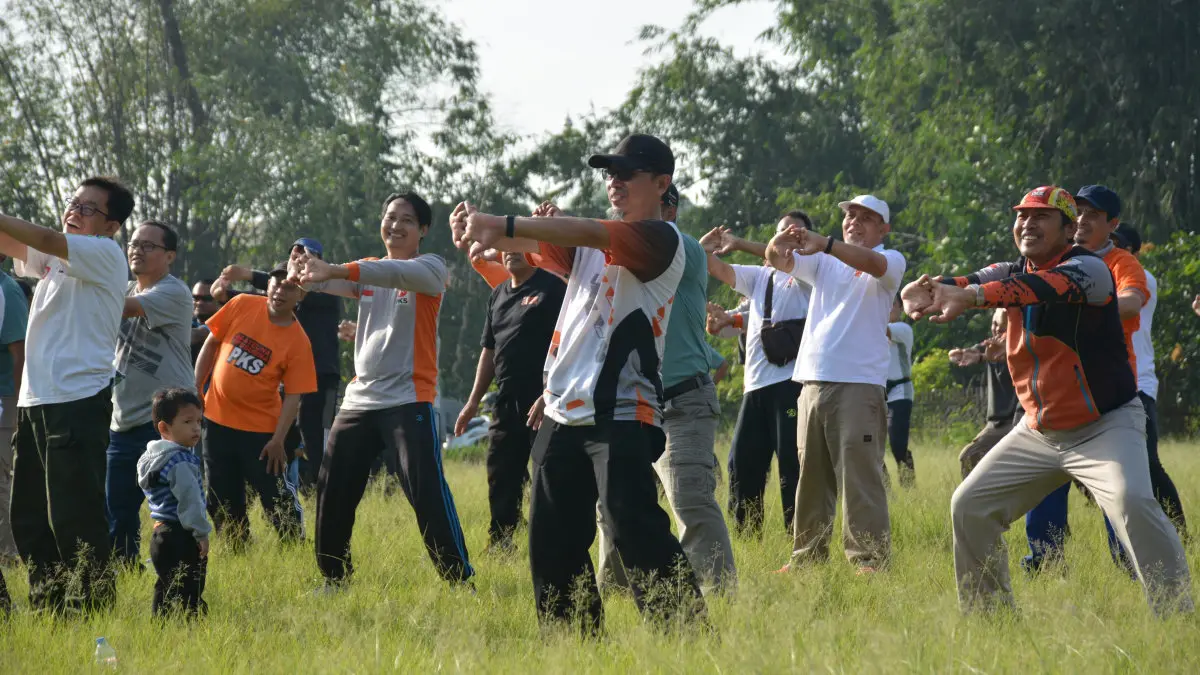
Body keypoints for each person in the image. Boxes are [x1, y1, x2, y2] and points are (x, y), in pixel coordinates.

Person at [454, 133, 705, 632]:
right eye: (609, 174)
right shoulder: (586, 248)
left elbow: (589, 233)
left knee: (632, 526)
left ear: (661, 183)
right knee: (551, 541)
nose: (614, 182)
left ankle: (689, 637)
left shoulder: (661, 240)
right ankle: (572, 645)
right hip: (562, 411)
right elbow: (530, 244)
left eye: (625, 173)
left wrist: (499, 224)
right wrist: (479, 231)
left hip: (623, 412)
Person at [904, 185, 1192, 615]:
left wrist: (970, 297)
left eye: (1041, 217)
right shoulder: (1010, 268)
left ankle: (1178, 616)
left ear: (1068, 228)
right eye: (1022, 215)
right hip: (1039, 430)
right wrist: (931, 289)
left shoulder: (1090, 269)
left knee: (1132, 500)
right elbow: (971, 280)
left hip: (1105, 425)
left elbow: (1037, 288)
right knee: (969, 506)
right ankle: (991, 623)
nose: (1028, 223)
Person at [295, 191, 473, 590]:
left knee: (424, 491)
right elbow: (328, 284)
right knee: (332, 486)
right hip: (360, 399)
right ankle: (334, 579)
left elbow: (385, 274)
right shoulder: (367, 272)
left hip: (409, 399)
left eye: (407, 220)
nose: (395, 225)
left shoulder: (430, 268)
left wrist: (334, 269)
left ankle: (459, 581)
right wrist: (304, 273)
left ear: (423, 230)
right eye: (390, 217)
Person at [596, 182, 736, 595]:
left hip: (682, 401)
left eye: (663, 203)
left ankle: (717, 595)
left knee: (689, 499)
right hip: (632, 401)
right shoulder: (617, 255)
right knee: (612, 505)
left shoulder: (687, 249)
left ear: (670, 210)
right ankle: (617, 595)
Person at [2, 176, 132, 613]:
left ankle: (92, 606)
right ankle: (50, 607)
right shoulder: (57, 260)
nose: (74, 211)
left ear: (111, 226)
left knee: (74, 516)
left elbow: (40, 236)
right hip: (36, 401)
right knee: (30, 517)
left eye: (88, 208)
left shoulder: (104, 254)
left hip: (77, 400)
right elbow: (16, 242)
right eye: (72, 203)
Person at [1019, 185, 1165, 571]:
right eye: (1077, 213)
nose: (1082, 221)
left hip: (1109, 395)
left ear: (1112, 225)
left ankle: (1131, 562)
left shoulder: (1122, 263)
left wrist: (1084, 297)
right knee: (1044, 482)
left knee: (1121, 490)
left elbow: (1132, 301)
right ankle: (1045, 562)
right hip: (1058, 392)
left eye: (1093, 216)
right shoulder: (1055, 259)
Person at [766, 194, 904, 574]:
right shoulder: (825, 262)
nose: (854, 222)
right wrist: (779, 244)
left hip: (859, 385)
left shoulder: (890, 260)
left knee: (860, 478)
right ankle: (807, 558)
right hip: (811, 382)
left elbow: (873, 264)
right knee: (810, 477)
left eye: (866, 218)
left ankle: (870, 561)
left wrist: (824, 242)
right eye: (850, 216)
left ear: (883, 229)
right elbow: (779, 262)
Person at [699, 214, 812, 534]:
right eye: (780, 234)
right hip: (756, 386)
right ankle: (748, 536)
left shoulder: (812, 275)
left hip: (792, 384)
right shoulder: (760, 278)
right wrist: (704, 249)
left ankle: (800, 540)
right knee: (741, 464)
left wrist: (740, 244)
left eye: (794, 234)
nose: (784, 241)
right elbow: (717, 268)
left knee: (793, 466)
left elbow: (780, 255)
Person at [194, 263, 315, 547]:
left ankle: (294, 548)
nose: (280, 290)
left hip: (261, 435)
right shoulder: (242, 304)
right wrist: (196, 389)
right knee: (221, 497)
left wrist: (278, 440)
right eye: (276, 282)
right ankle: (236, 548)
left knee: (275, 498)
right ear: (267, 285)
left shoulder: (299, 342)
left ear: (301, 296)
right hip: (216, 420)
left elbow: (295, 396)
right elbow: (211, 344)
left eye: (290, 287)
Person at [458, 251, 566, 552]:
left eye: (519, 244)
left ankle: (552, 542)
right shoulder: (498, 295)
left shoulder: (552, 289)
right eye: (506, 246)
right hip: (506, 400)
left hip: (545, 401)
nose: (512, 252)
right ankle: (502, 542)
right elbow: (489, 351)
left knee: (549, 473)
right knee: (501, 472)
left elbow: (569, 342)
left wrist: (550, 393)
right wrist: (472, 402)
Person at [215, 238, 341, 491]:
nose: (298, 261)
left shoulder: (324, 288)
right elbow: (264, 301)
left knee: (315, 434)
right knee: (284, 434)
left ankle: (327, 490)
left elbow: (292, 286)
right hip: (288, 376)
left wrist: (248, 274)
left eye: (303, 255)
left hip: (321, 376)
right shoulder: (286, 294)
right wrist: (225, 294)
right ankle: (291, 487)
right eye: (293, 254)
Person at [107, 220, 197, 566]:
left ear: (170, 256)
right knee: (117, 512)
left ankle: (181, 579)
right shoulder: (127, 288)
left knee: (174, 510)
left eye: (148, 246)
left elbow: (123, 309)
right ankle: (123, 573)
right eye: (132, 244)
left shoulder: (173, 292)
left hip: (167, 422)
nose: (137, 250)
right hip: (123, 419)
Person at [137, 387, 210, 617]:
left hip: (159, 535)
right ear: (164, 428)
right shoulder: (181, 462)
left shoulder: (150, 457)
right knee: (191, 586)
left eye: (199, 421)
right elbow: (191, 503)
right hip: (181, 534)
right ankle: (194, 626)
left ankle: (160, 625)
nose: (196, 428)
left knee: (166, 584)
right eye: (187, 422)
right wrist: (201, 533)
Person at [949, 310, 1017, 478]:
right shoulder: (987, 346)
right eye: (994, 324)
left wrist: (982, 358)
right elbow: (962, 355)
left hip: (1017, 421)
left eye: (1002, 327)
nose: (996, 330)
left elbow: (1008, 354)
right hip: (996, 424)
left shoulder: (1019, 349)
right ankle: (976, 501)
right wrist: (959, 355)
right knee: (969, 457)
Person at [0, 256, 28, 564]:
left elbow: (19, 355)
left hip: (5, 399)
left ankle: (7, 556)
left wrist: (21, 409)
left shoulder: (7, 291)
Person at [885, 297, 916, 487]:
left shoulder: (903, 329)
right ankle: (884, 489)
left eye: (892, 304)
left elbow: (883, 329)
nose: (887, 308)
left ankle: (909, 486)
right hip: (877, 393)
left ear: (900, 308)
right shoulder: (872, 334)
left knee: (897, 443)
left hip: (900, 393)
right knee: (868, 444)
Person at [190, 280, 220, 364]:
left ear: (220, 301)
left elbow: (195, 335)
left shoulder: (225, 327)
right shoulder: (187, 323)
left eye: (207, 299)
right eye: (195, 298)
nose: (199, 303)